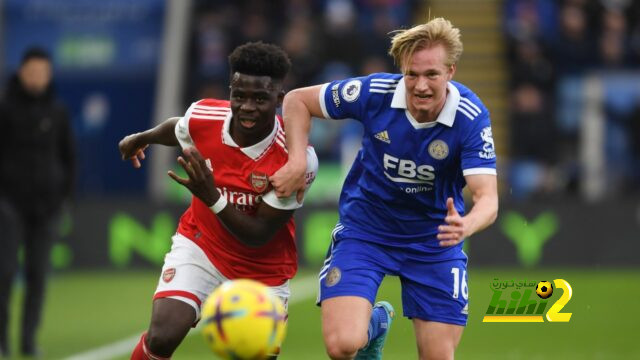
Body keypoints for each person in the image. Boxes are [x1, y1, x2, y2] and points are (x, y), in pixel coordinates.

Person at [271, 18, 499, 360]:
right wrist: (297, 161)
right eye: (412, 74)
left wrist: (466, 224)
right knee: (342, 346)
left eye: (431, 75)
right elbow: (296, 101)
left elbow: (488, 198)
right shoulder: (374, 92)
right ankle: (375, 326)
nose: (420, 85)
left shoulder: (470, 116)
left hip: (433, 240)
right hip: (367, 230)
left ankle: (376, 325)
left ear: (450, 72)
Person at [118, 42, 317, 359]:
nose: (247, 107)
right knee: (161, 336)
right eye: (239, 96)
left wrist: (211, 196)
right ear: (230, 91)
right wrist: (143, 137)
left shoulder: (295, 160)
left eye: (260, 99)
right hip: (202, 245)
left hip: (262, 270)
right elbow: (180, 128)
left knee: (253, 353)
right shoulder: (205, 114)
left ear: (279, 99)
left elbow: (258, 234)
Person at [0, 47, 75, 357]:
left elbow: (69, 157)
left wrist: (63, 198)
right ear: (21, 72)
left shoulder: (57, 112)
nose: (38, 77)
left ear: (49, 74)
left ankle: (28, 341)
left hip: (46, 209)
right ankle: (2, 340)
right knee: (4, 273)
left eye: (43, 71)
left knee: (38, 275)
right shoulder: (5, 110)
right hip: (9, 205)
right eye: (32, 71)